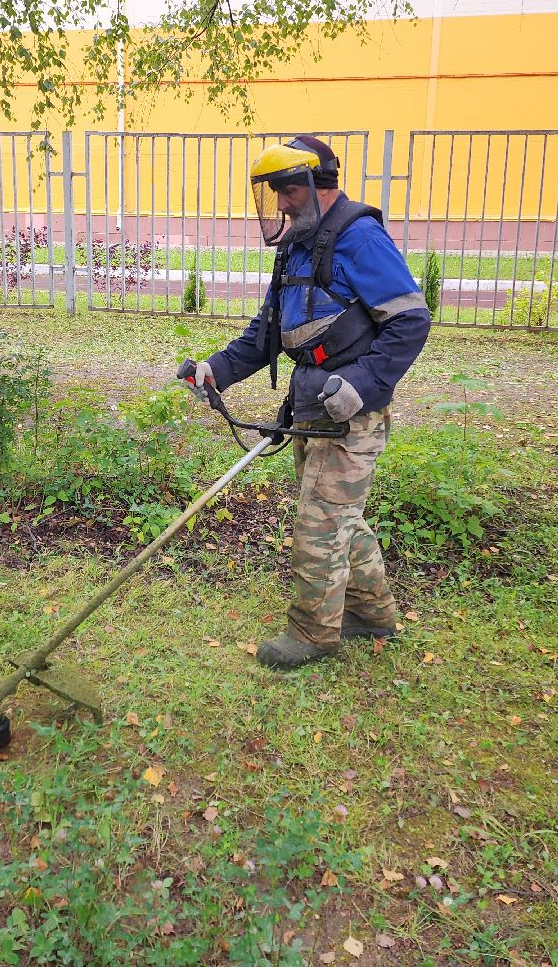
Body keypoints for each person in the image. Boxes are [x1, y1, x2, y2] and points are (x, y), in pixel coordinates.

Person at [179, 135, 430, 670]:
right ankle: (373, 612)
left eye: (286, 192)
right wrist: (216, 370)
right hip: (312, 405)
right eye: (274, 195)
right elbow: (268, 331)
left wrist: (362, 383)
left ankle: (313, 634)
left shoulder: (360, 239)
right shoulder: (301, 244)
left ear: (313, 184)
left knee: (319, 524)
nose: (281, 205)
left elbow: (410, 320)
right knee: (339, 516)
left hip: (352, 413)